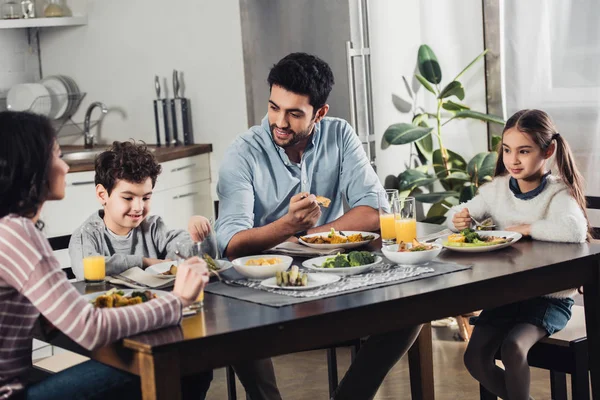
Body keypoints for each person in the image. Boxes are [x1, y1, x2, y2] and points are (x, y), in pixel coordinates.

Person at [215, 52, 422, 400]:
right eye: (274, 107)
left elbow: (375, 213)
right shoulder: (243, 153)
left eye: (295, 113)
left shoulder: (339, 135)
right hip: (262, 285)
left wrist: (308, 236)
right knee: (237, 322)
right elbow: (230, 244)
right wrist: (285, 227)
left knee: (411, 308)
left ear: (319, 113)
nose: (280, 121)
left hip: (328, 273)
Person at [0, 111, 210, 399]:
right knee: (184, 364)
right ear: (33, 166)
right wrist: (178, 302)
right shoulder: (18, 234)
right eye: (58, 155)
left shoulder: (8, 230)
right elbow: (90, 328)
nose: (64, 166)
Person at [447, 109, 589, 400]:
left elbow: (574, 229)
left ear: (547, 150)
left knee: (513, 347)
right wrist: (458, 219)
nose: (513, 160)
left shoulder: (557, 192)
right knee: (474, 358)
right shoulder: (497, 189)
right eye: (508, 150)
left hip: (549, 299)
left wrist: (528, 227)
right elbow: (458, 213)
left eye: (524, 151)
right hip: (507, 295)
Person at [68, 140, 213, 281]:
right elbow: (85, 269)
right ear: (102, 195)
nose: (138, 208)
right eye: (128, 198)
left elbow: (186, 253)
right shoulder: (86, 236)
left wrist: (200, 236)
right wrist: (144, 262)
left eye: (145, 198)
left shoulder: (153, 227)